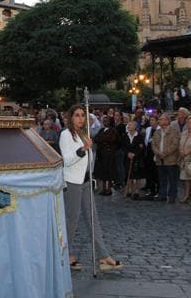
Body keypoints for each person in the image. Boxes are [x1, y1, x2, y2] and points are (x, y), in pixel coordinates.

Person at [59, 105, 122, 273]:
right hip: (72, 182)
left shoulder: (83, 134)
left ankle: (103, 256)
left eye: (82, 116)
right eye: (77, 115)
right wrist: (83, 149)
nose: (81, 118)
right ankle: (65, 254)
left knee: (92, 219)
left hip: (86, 181)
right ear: (71, 117)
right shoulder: (66, 135)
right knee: (72, 220)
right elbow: (67, 160)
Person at [151, 114, 180, 203]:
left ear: (167, 121)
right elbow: (153, 144)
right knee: (162, 179)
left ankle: (172, 196)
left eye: (161, 119)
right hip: (160, 159)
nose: (159, 121)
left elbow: (175, 145)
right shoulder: (157, 132)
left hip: (171, 159)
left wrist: (165, 153)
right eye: (159, 119)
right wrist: (158, 153)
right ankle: (162, 194)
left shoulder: (174, 132)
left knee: (172, 179)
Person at [93, 116, 118, 196]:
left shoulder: (113, 130)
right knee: (103, 172)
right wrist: (102, 139)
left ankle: (109, 189)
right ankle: (103, 188)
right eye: (103, 121)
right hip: (101, 153)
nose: (104, 122)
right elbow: (96, 139)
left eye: (106, 121)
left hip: (109, 154)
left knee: (109, 172)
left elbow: (111, 140)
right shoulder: (101, 130)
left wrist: (102, 139)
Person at [121, 121, 144, 199]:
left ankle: (137, 191)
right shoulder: (125, 136)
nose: (128, 126)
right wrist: (128, 153)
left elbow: (141, 147)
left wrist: (134, 154)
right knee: (129, 175)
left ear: (135, 127)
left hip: (137, 158)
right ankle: (129, 190)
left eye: (130, 125)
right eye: (128, 125)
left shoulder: (139, 136)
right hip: (127, 158)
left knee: (137, 175)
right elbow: (123, 146)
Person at [142, 115, 159, 198]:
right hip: (148, 152)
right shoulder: (148, 129)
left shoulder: (159, 129)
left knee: (156, 172)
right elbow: (146, 140)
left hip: (155, 152)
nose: (151, 121)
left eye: (153, 120)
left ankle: (158, 190)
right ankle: (150, 189)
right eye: (150, 120)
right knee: (149, 172)